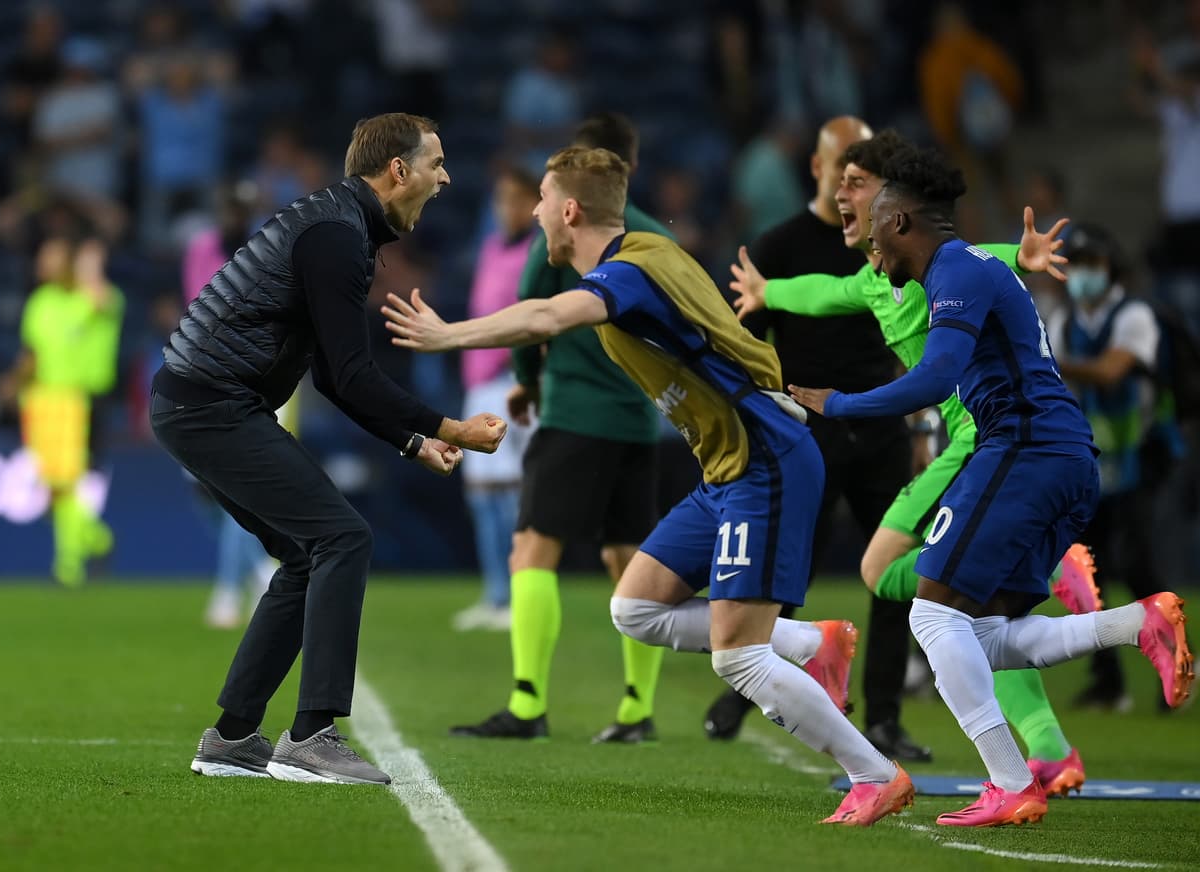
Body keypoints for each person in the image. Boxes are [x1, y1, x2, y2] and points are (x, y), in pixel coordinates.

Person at [384, 145, 916, 827]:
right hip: (729, 464)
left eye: (545, 198)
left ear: (569, 210)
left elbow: (546, 317)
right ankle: (814, 644)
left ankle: (875, 773)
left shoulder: (629, 273)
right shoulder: (646, 252)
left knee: (738, 659)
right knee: (633, 609)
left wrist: (446, 335)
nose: (537, 211)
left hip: (766, 458)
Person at [787, 143, 1194, 827]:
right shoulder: (964, 267)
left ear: (902, 221)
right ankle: (1138, 622)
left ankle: (1010, 782)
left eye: (878, 220)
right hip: (1056, 456)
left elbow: (939, 375)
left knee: (928, 612)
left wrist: (843, 404)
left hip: (1023, 451)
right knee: (978, 630)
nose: (872, 247)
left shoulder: (955, 270)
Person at [732, 128, 1100, 797]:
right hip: (964, 441)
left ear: (892, 205)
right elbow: (818, 292)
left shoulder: (949, 266)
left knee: (944, 600)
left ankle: (1038, 743)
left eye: (855, 187)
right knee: (923, 588)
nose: (843, 198)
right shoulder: (876, 282)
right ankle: (1047, 745)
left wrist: (1022, 251)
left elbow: (985, 262)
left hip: (982, 444)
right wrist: (768, 294)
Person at [151, 113, 507, 785]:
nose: (446, 176)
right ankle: (312, 734)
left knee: (303, 554)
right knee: (343, 539)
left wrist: (411, 438)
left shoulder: (338, 227)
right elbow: (349, 375)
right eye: (436, 162)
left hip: (198, 401)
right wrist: (448, 428)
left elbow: (330, 377)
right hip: (212, 404)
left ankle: (230, 738)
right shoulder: (337, 237)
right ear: (398, 171)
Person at [707, 116, 927, 765]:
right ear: (817, 168)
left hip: (882, 423)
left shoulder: (881, 244)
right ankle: (745, 691)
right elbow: (744, 340)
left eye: (864, 179)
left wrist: (918, 423)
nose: (849, 190)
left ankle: (884, 716)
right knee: (787, 569)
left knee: (892, 574)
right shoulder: (778, 246)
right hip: (807, 429)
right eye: (844, 173)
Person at [448, 114, 670, 743]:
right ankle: (636, 707)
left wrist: (528, 380)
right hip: (638, 417)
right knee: (627, 557)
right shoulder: (655, 238)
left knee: (532, 550)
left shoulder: (565, 229)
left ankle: (527, 703)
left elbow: (531, 310)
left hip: (575, 410)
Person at [1046, 222, 1193, 712]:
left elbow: (1112, 371)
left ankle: (1176, 657)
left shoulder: (1134, 317)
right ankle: (1108, 680)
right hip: (1094, 459)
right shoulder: (1067, 323)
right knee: (1089, 570)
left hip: (1142, 453)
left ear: (1111, 270)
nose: (1085, 275)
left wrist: (1052, 363)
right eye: (1078, 266)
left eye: (1093, 265)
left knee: (1135, 560)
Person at [0, 236, 122, 586]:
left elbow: (101, 300)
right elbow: (32, 352)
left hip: (71, 398)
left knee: (65, 480)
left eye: (52, 257)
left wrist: (90, 264)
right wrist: (14, 383)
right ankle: (95, 539)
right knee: (52, 485)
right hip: (39, 399)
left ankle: (68, 565)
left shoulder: (86, 298)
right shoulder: (39, 302)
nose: (44, 264)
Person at [182, 181, 278, 629]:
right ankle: (260, 569)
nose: (234, 214)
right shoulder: (202, 246)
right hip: (204, 372)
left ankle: (226, 591)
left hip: (254, 376)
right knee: (204, 487)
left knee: (238, 487)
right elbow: (196, 303)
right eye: (229, 206)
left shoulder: (266, 246)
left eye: (240, 207)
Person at [454, 163, 540, 632]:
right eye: (501, 199)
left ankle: (515, 598)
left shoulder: (536, 252)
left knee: (509, 493)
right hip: (478, 379)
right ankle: (493, 594)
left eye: (515, 199)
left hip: (510, 380)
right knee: (481, 495)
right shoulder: (490, 248)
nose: (506, 208)